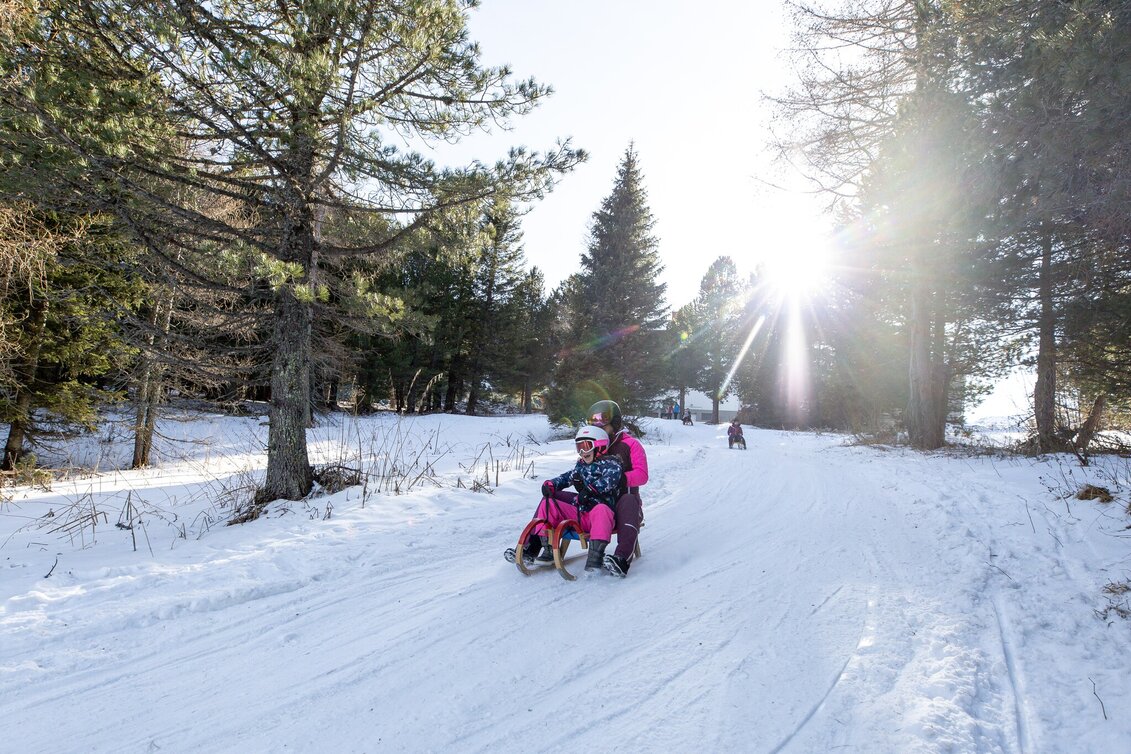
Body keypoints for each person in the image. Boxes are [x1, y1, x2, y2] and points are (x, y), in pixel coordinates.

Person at [504, 424, 625, 572]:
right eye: (578, 447)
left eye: (586, 446)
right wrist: (552, 484)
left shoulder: (612, 464)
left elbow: (610, 480)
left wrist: (590, 490)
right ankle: (537, 549)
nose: (582, 452)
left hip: (600, 516)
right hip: (581, 513)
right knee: (549, 501)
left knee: (601, 510)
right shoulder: (581, 466)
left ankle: (595, 559)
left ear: (599, 446)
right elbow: (568, 477)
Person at [587, 400, 647, 577]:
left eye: (603, 424)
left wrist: (619, 479)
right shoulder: (594, 445)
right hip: (600, 504)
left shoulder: (631, 445)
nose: (598, 428)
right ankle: (537, 546)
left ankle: (621, 559)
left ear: (614, 423)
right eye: (594, 423)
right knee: (556, 497)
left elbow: (642, 475)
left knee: (628, 501)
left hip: (625, 504)